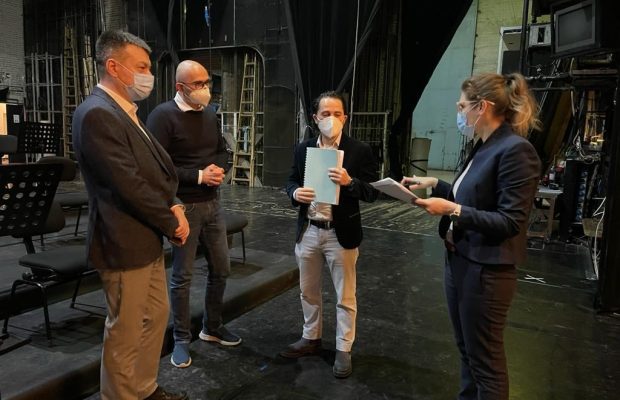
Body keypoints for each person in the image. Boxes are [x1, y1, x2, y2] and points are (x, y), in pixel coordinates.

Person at [402, 72, 542, 400]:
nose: (459, 111)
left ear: (483, 107)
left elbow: (510, 221)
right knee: (467, 350)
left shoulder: (515, 150)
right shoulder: (483, 145)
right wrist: (436, 185)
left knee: (485, 362)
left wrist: (453, 210)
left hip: (486, 272)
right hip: (461, 260)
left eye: (462, 106)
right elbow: (474, 195)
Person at [72, 30, 190, 400]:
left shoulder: (124, 111)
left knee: (154, 316)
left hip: (145, 237)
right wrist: (171, 221)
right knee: (126, 331)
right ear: (113, 67)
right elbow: (129, 185)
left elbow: (155, 172)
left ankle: (144, 388)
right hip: (122, 240)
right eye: (141, 67)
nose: (148, 75)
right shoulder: (97, 113)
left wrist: (174, 203)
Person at [146, 60, 241, 369]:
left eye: (206, 82)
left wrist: (218, 169)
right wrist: (199, 176)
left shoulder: (210, 114)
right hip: (184, 207)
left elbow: (221, 150)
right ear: (180, 87)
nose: (205, 89)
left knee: (221, 268)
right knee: (182, 277)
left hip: (213, 203)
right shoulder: (162, 116)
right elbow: (157, 166)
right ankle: (181, 338)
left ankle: (212, 327)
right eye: (198, 84)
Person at [282, 91, 379, 378]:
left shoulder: (359, 150)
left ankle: (343, 348)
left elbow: (373, 191)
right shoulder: (303, 149)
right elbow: (291, 180)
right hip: (309, 230)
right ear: (315, 118)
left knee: (345, 295)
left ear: (345, 118)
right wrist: (295, 193)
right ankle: (310, 337)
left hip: (341, 233)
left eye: (337, 114)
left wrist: (350, 182)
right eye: (325, 114)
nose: (331, 119)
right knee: (308, 290)